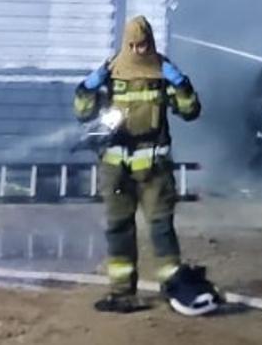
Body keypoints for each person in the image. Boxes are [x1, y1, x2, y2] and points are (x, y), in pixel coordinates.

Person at [74, 16, 203, 313]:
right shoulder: (111, 73)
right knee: (119, 229)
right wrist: (87, 87)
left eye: (142, 44)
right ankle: (122, 294)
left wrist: (181, 84)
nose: (137, 50)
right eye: (132, 45)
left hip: (155, 169)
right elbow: (82, 113)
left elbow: (190, 111)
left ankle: (175, 291)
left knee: (161, 229)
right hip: (116, 169)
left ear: (150, 43)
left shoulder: (161, 73)